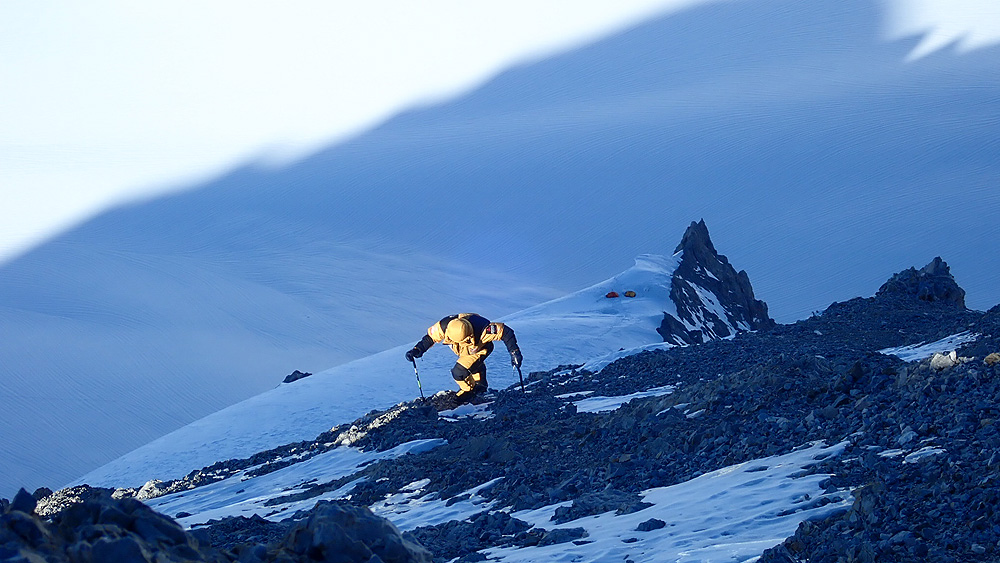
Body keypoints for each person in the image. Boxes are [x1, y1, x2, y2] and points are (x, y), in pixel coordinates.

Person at [405, 313, 522, 400]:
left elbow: (505, 332)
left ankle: (468, 391)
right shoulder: (443, 326)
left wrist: (514, 352)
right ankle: (480, 387)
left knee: (459, 371)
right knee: (472, 366)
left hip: (481, 349)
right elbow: (430, 338)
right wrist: (417, 349)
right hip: (465, 352)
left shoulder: (482, 328)